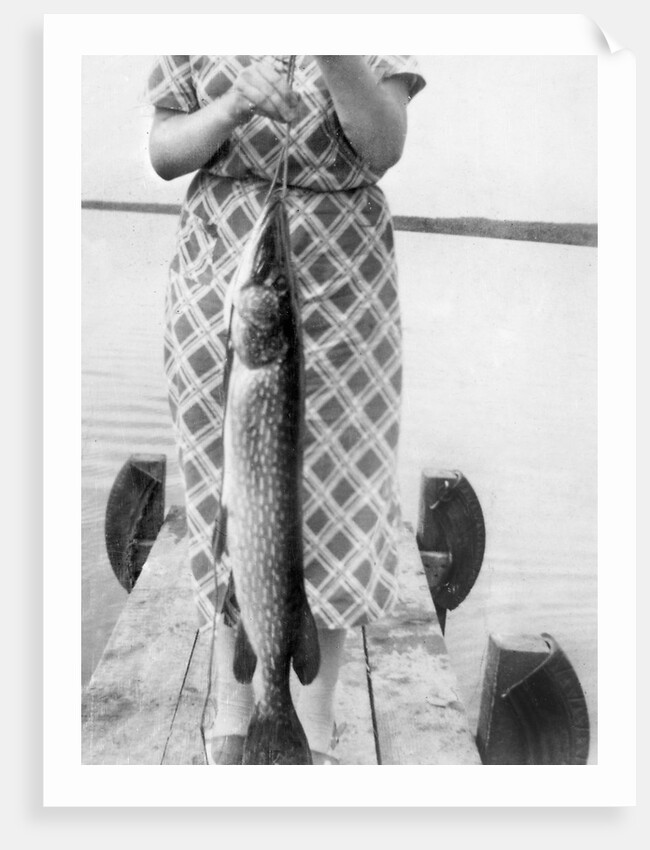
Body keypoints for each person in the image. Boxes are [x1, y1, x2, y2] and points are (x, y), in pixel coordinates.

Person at [146, 55, 426, 764]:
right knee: (227, 501)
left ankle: (316, 730)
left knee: (339, 502)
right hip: (226, 289)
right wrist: (232, 104)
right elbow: (163, 151)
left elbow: (385, 144)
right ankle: (235, 718)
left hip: (343, 288)